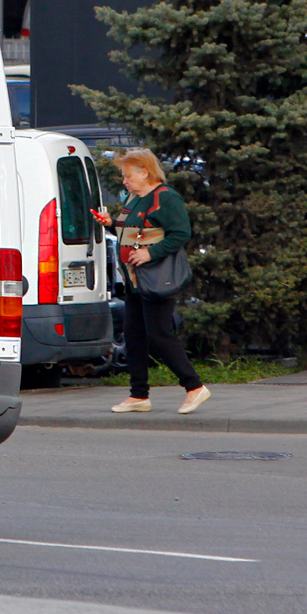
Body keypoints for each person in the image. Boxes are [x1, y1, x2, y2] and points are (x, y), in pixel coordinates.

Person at [93, 148, 210, 415]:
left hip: (157, 279)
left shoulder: (165, 198)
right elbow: (133, 232)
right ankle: (138, 395)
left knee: (159, 334)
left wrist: (150, 252)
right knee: (134, 334)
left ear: (145, 172)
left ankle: (194, 386)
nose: (124, 180)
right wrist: (110, 223)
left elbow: (181, 233)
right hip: (135, 280)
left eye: (127, 175)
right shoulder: (136, 198)